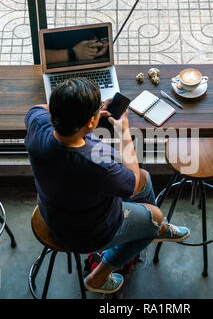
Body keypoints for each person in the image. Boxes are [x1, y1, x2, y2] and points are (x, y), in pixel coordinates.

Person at [24, 78, 190, 294]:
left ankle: (151, 226)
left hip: (55, 210)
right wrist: (124, 131)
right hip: (86, 232)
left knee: (147, 179)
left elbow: (37, 109)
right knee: (152, 209)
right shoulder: (97, 164)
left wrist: (84, 116)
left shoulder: (38, 125)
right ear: (90, 123)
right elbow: (133, 182)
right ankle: (98, 276)